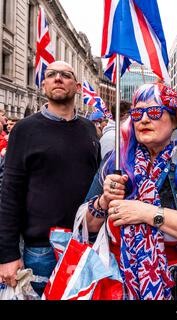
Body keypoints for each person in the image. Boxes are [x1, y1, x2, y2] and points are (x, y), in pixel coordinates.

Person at [84, 83, 177, 300]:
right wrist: (103, 201)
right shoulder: (115, 160)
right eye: (137, 113)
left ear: (175, 118)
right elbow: (86, 227)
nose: (144, 119)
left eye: (155, 111)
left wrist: (147, 213)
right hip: (117, 282)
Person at [0, 61, 101, 296]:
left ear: (77, 87)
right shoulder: (24, 130)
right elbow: (9, 194)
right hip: (40, 250)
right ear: (43, 84)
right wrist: (7, 254)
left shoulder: (89, 129)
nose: (58, 78)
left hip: (84, 244)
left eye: (65, 75)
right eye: (51, 74)